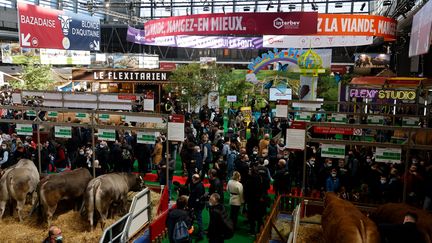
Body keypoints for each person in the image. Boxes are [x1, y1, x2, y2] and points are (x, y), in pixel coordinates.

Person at [188, 174, 205, 241]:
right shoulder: (199, 185)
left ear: (195, 179)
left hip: (197, 207)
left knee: (199, 220)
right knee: (197, 219)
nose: (192, 180)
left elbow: (197, 199)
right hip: (197, 206)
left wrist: (193, 207)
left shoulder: (198, 187)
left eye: (192, 179)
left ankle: (201, 234)